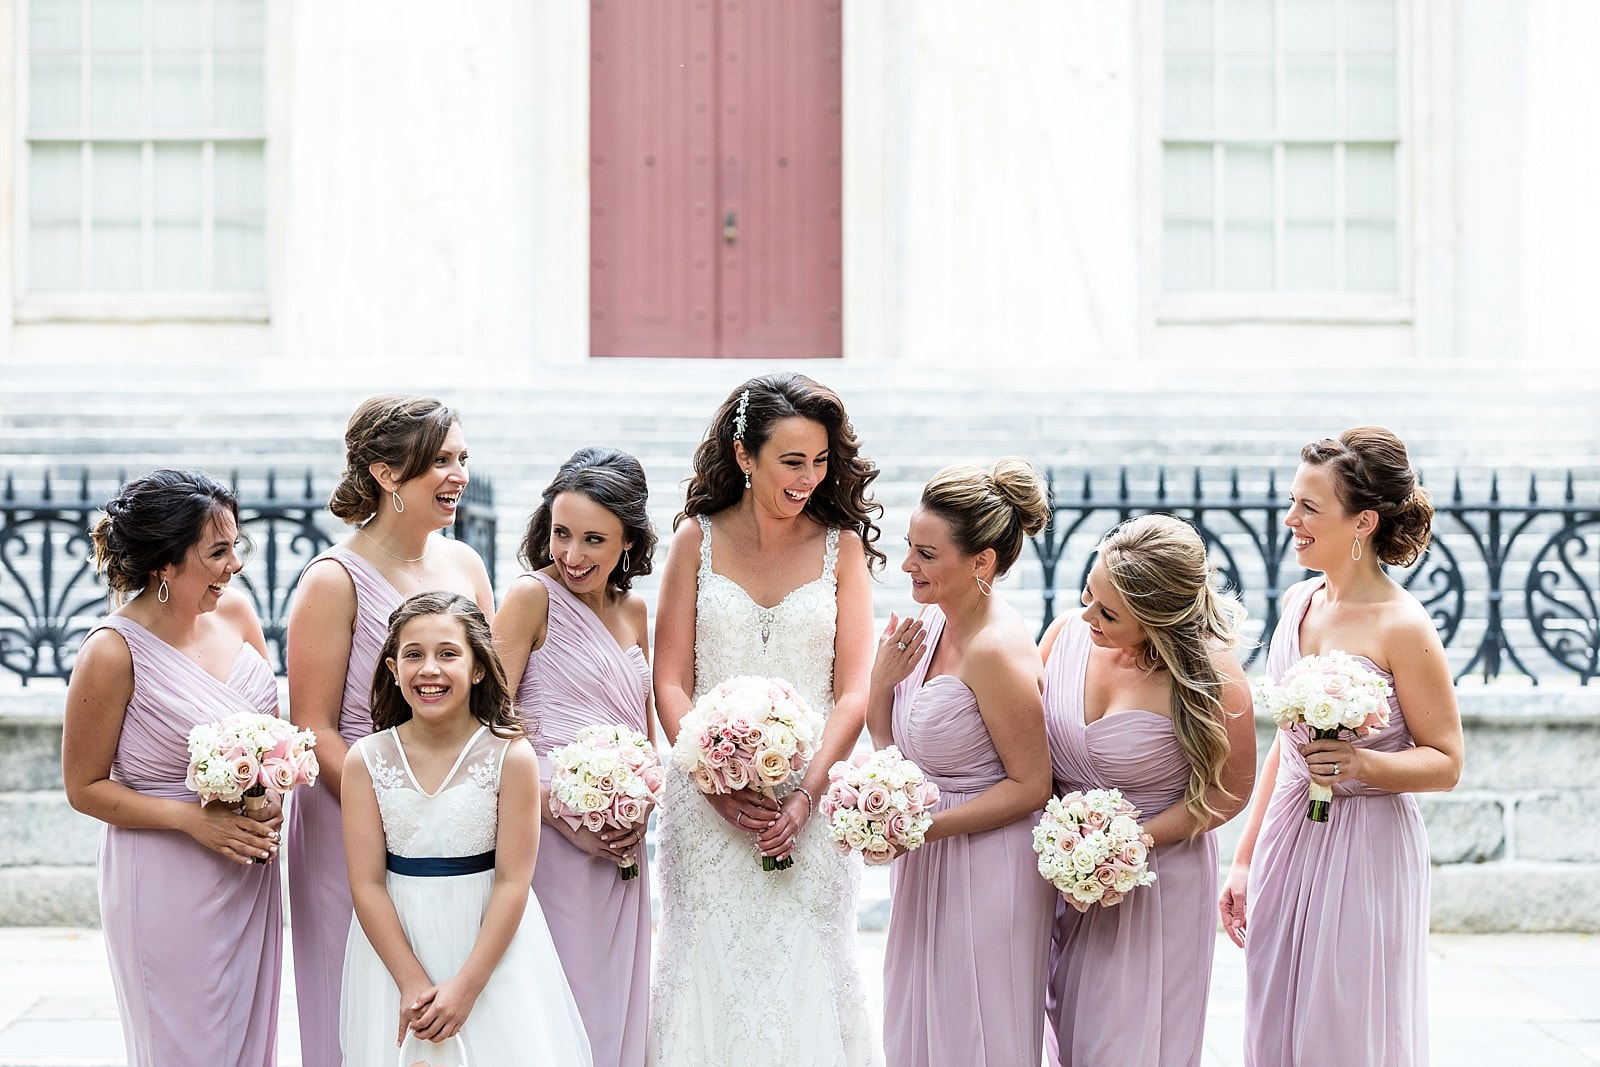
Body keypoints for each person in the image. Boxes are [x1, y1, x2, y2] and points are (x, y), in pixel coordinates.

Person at [650, 373, 883, 1067]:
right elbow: (669, 679)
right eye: (792, 461)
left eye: (820, 461)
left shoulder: (843, 547)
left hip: (807, 807)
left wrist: (809, 792)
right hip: (706, 804)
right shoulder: (696, 540)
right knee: (706, 969)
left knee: (806, 972)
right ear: (745, 455)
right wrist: (710, 776)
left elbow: (852, 691)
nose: (809, 477)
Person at [1220, 427, 1463, 1067]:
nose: (1290, 518)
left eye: (1309, 507)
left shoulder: (1403, 626)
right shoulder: (1300, 602)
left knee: (1347, 1020)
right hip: (1287, 834)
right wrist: (1244, 859)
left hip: (1368, 845)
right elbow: (1286, 746)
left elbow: (1446, 762)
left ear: (1363, 522)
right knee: (1273, 1008)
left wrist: (1361, 763)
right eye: (1293, 501)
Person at [285, 394, 494, 1067]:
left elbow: (486, 693)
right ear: (385, 471)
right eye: (440, 460)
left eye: (461, 457)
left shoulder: (465, 565)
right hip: (353, 814)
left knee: (452, 1000)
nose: (458, 474)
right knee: (357, 1012)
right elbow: (311, 724)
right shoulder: (332, 579)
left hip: (453, 819)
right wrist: (393, 806)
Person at [63, 469, 284, 1066]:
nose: (234, 564)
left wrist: (273, 788)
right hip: (164, 871)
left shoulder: (237, 615)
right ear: (165, 563)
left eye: (236, 546)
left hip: (248, 868)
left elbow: (273, 734)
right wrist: (193, 821)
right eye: (217, 551)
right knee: (182, 1044)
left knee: (246, 1036)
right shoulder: (112, 650)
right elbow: (83, 788)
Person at [1039, 514, 1255, 1067]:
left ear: (1160, 619)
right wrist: (1069, 850)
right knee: (1063, 1036)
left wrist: (1124, 846)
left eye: (1109, 613)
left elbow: (1229, 791)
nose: (1087, 615)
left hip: (1160, 884)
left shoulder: (1212, 673)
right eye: (1088, 593)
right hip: (1058, 879)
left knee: (1127, 1046)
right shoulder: (1064, 637)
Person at [340, 591, 592, 1064]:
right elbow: (367, 883)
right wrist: (411, 981)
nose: (429, 669)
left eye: (448, 653)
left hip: (487, 949)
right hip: (399, 950)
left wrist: (467, 987)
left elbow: (514, 881)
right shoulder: (367, 761)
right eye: (413, 655)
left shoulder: (509, 755)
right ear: (393, 669)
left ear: (478, 668)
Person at [869, 459, 1058, 1067]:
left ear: (981, 563)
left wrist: (921, 826)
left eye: (925, 554)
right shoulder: (927, 625)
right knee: (923, 1024)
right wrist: (880, 688)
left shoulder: (996, 650)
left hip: (989, 864)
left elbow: (1033, 785)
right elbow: (898, 755)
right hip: (929, 858)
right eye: (908, 549)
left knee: (981, 1030)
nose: (907, 567)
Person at [494, 447, 657, 1067]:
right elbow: (491, 722)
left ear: (627, 542)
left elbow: (643, 730)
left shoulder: (635, 610)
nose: (573, 554)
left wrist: (641, 800)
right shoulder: (530, 597)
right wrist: (560, 813)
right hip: (547, 833)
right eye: (562, 533)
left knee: (616, 995)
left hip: (623, 835)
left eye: (594, 539)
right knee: (562, 995)